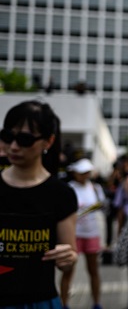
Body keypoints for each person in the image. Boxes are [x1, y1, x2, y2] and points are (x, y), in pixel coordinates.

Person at [0, 100, 78, 308]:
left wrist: (68, 258)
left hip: (39, 300)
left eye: (25, 139)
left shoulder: (61, 194)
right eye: (8, 136)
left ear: (48, 142)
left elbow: (68, 257)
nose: (14, 146)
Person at [60, 158, 106, 309]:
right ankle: (64, 303)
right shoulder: (69, 188)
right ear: (75, 173)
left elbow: (103, 206)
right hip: (73, 234)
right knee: (68, 270)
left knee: (93, 270)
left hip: (91, 233)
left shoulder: (95, 188)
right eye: (82, 173)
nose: (85, 176)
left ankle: (97, 303)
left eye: (87, 172)